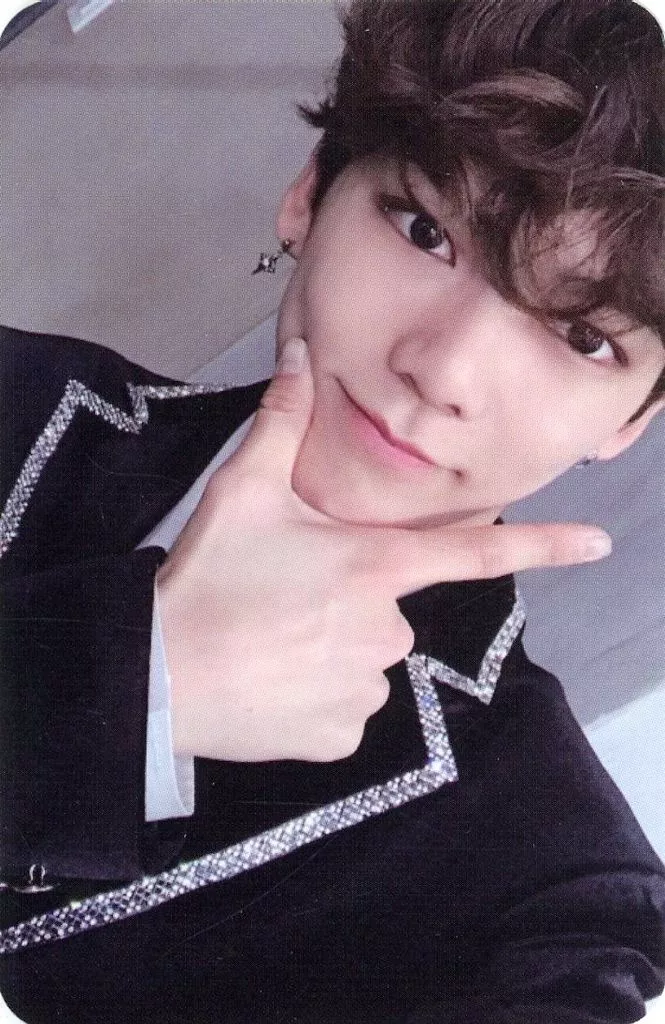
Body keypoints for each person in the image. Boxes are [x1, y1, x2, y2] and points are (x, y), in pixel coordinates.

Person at [1, 0, 664, 1021]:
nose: (443, 370)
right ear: (308, 197)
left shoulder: (556, 897)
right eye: (424, 231)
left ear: (631, 419)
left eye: (582, 337)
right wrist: (123, 689)